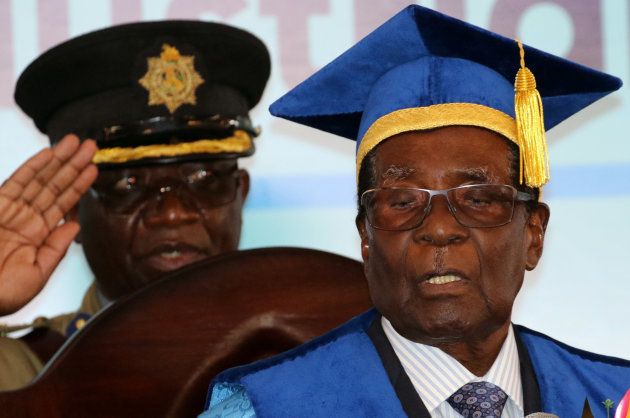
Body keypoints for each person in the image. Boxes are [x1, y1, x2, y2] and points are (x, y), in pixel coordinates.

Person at [202, 5, 630, 418]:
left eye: (478, 199)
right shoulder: (267, 408)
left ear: (533, 235)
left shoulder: (616, 397)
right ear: (367, 238)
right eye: (402, 202)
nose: (440, 229)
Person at [0, 20, 270, 390]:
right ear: (71, 209)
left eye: (205, 180)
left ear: (241, 192)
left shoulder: (310, 353)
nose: (174, 212)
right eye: (129, 184)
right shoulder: (27, 374)